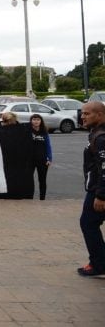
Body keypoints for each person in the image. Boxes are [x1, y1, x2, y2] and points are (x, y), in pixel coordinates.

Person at [77, 101, 105, 276]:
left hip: (99, 191)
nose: (82, 117)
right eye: (82, 113)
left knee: (88, 223)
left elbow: (104, 167)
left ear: (100, 115)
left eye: (87, 114)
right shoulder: (96, 134)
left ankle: (99, 264)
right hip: (97, 189)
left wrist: (101, 195)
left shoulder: (101, 138)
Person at [29, 114, 52, 201]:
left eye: (38, 120)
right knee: (29, 180)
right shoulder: (28, 131)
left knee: (42, 180)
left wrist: (49, 158)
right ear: (31, 121)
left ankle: (42, 198)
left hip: (42, 160)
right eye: (34, 119)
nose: (36, 121)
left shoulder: (44, 132)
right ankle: (29, 197)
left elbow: (48, 146)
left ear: (41, 121)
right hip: (30, 160)